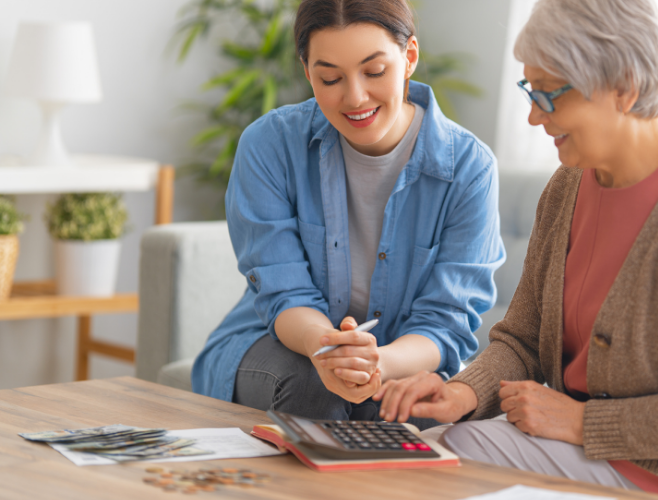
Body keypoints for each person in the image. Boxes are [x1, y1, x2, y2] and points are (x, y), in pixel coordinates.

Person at [374, 0, 658, 498]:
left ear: (625, 88)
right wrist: (462, 391)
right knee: (431, 445)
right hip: (599, 445)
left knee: (439, 465)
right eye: (529, 91)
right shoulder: (568, 184)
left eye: (549, 96)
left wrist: (581, 422)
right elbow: (523, 341)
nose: (534, 116)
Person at [191, 0, 505, 429]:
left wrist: (378, 363)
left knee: (413, 412)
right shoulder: (269, 145)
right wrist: (330, 352)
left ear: (409, 57)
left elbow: (447, 321)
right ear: (307, 72)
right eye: (330, 78)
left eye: (374, 72)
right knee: (314, 390)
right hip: (280, 343)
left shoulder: (468, 168)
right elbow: (285, 293)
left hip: (401, 354)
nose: (355, 97)